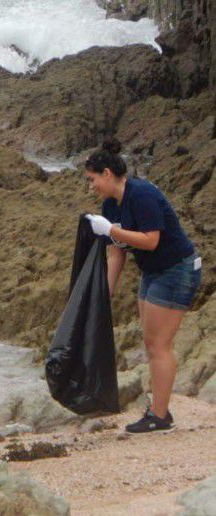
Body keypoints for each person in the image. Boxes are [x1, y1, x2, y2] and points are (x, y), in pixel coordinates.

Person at [84, 138, 201, 433]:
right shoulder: (110, 204)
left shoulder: (142, 194)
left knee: (160, 345)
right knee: (151, 344)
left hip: (177, 270)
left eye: (92, 179)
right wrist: (105, 292)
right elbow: (117, 251)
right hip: (152, 272)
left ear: (107, 173)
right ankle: (159, 410)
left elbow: (151, 240)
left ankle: (159, 417)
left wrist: (111, 229)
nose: (91, 185)